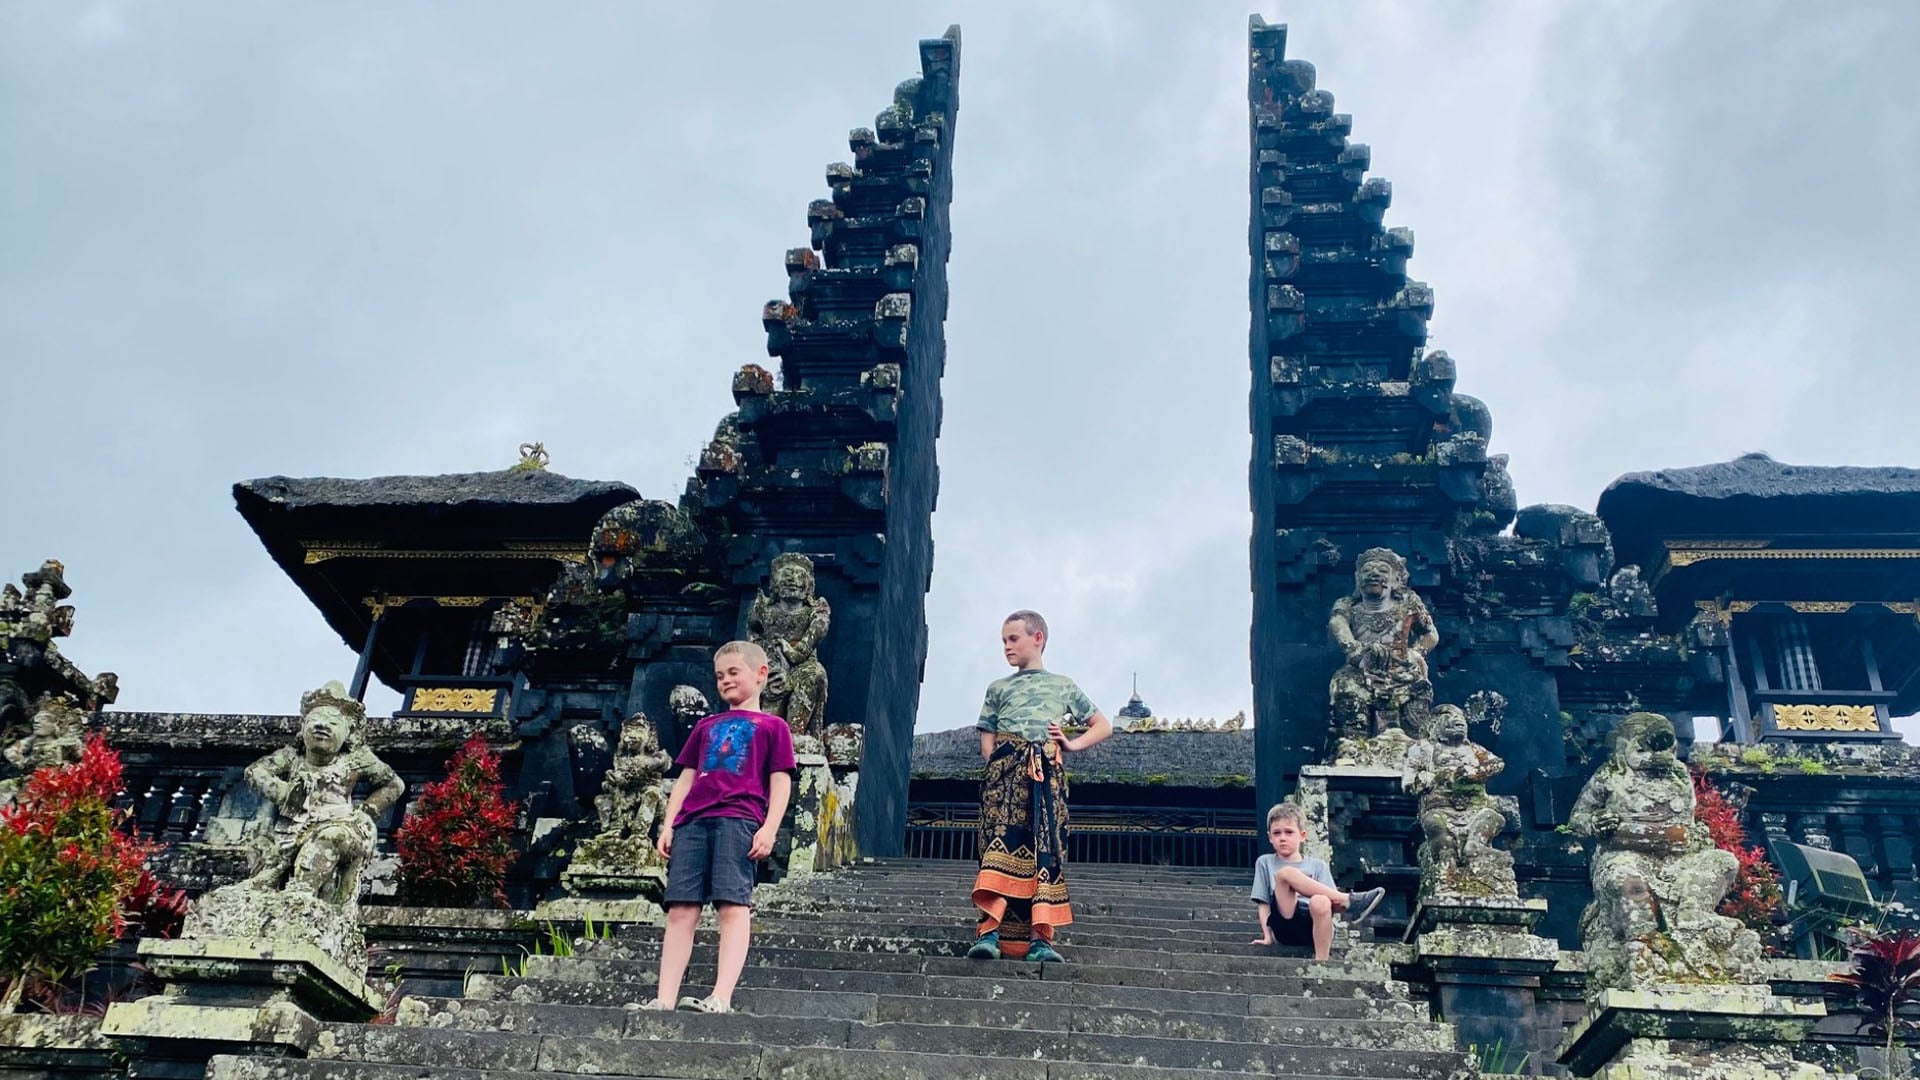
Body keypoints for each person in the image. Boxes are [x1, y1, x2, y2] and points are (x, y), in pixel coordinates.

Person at [641, 640, 797, 1013]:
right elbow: (685, 777)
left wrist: (769, 828)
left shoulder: (773, 727)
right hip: (693, 821)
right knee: (680, 909)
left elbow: (781, 780)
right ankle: (665, 998)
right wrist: (668, 824)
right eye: (719, 676)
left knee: (732, 904)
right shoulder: (706, 725)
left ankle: (721, 996)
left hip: (739, 819)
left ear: (761, 675)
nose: (725, 681)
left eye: (733, 672)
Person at [968, 610, 1112, 963]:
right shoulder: (997, 688)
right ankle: (990, 933)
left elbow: (1102, 724)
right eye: (1003, 640)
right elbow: (987, 737)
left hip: (1046, 777)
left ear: (1038, 638)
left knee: (1044, 853)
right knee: (996, 849)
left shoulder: (1062, 684)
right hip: (1004, 781)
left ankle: (1039, 940)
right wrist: (999, 765)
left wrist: (1070, 743)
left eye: (1013, 639)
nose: (1006, 647)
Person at [1249, 802, 1386, 961]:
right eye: (1277, 833)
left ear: (1302, 836)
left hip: (1314, 925)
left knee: (1321, 900)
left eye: (1289, 832)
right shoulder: (1265, 863)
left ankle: (1322, 962)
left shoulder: (1317, 866)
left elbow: (1330, 907)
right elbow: (1263, 904)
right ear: (1270, 837)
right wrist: (1267, 936)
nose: (1283, 838)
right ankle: (1350, 901)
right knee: (1285, 874)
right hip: (1285, 923)